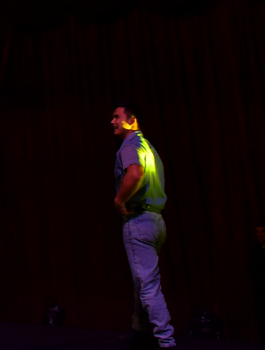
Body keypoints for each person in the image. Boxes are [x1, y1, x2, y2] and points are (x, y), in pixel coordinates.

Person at [111, 102, 175, 347]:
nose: (112, 121)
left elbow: (135, 174)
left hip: (139, 221)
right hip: (157, 221)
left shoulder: (130, 146)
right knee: (142, 281)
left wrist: (119, 200)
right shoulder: (150, 148)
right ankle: (139, 330)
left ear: (132, 120)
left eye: (117, 117)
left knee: (148, 286)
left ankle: (166, 341)